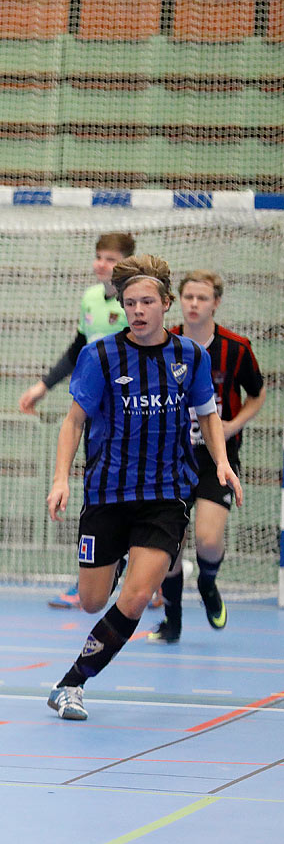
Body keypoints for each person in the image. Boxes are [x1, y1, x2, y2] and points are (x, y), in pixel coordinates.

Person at [44, 255, 241, 721]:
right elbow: (73, 423)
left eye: (147, 301)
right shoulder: (101, 356)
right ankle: (115, 565)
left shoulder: (191, 357)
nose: (137, 310)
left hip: (166, 496)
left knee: (134, 599)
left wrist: (220, 462)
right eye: (130, 302)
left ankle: (72, 684)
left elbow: (208, 414)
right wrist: (60, 478)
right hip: (108, 494)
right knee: (93, 600)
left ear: (166, 304)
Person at [20, 232, 139, 609]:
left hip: (133, 411)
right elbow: (78, 349)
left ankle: (152, 574)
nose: (101, 264)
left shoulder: (135, 305)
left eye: (110, 258)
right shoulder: (90, 298)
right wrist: (43, 386)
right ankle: (94, 575)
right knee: (98, 489)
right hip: (95, 410)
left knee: (135, 489)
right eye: (99, 257)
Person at [147, 270, 266, 643]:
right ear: (178, 302)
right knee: (169, 544)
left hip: (217, 458)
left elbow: (257, 394)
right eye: (188, 298)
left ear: (215, 302)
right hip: (170, 458)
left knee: (208, 540)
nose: (194, 304)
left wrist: (232, 426)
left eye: (202, 298)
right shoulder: (165, 343)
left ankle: (209, 585)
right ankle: (173, 621)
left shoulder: (236, 348)